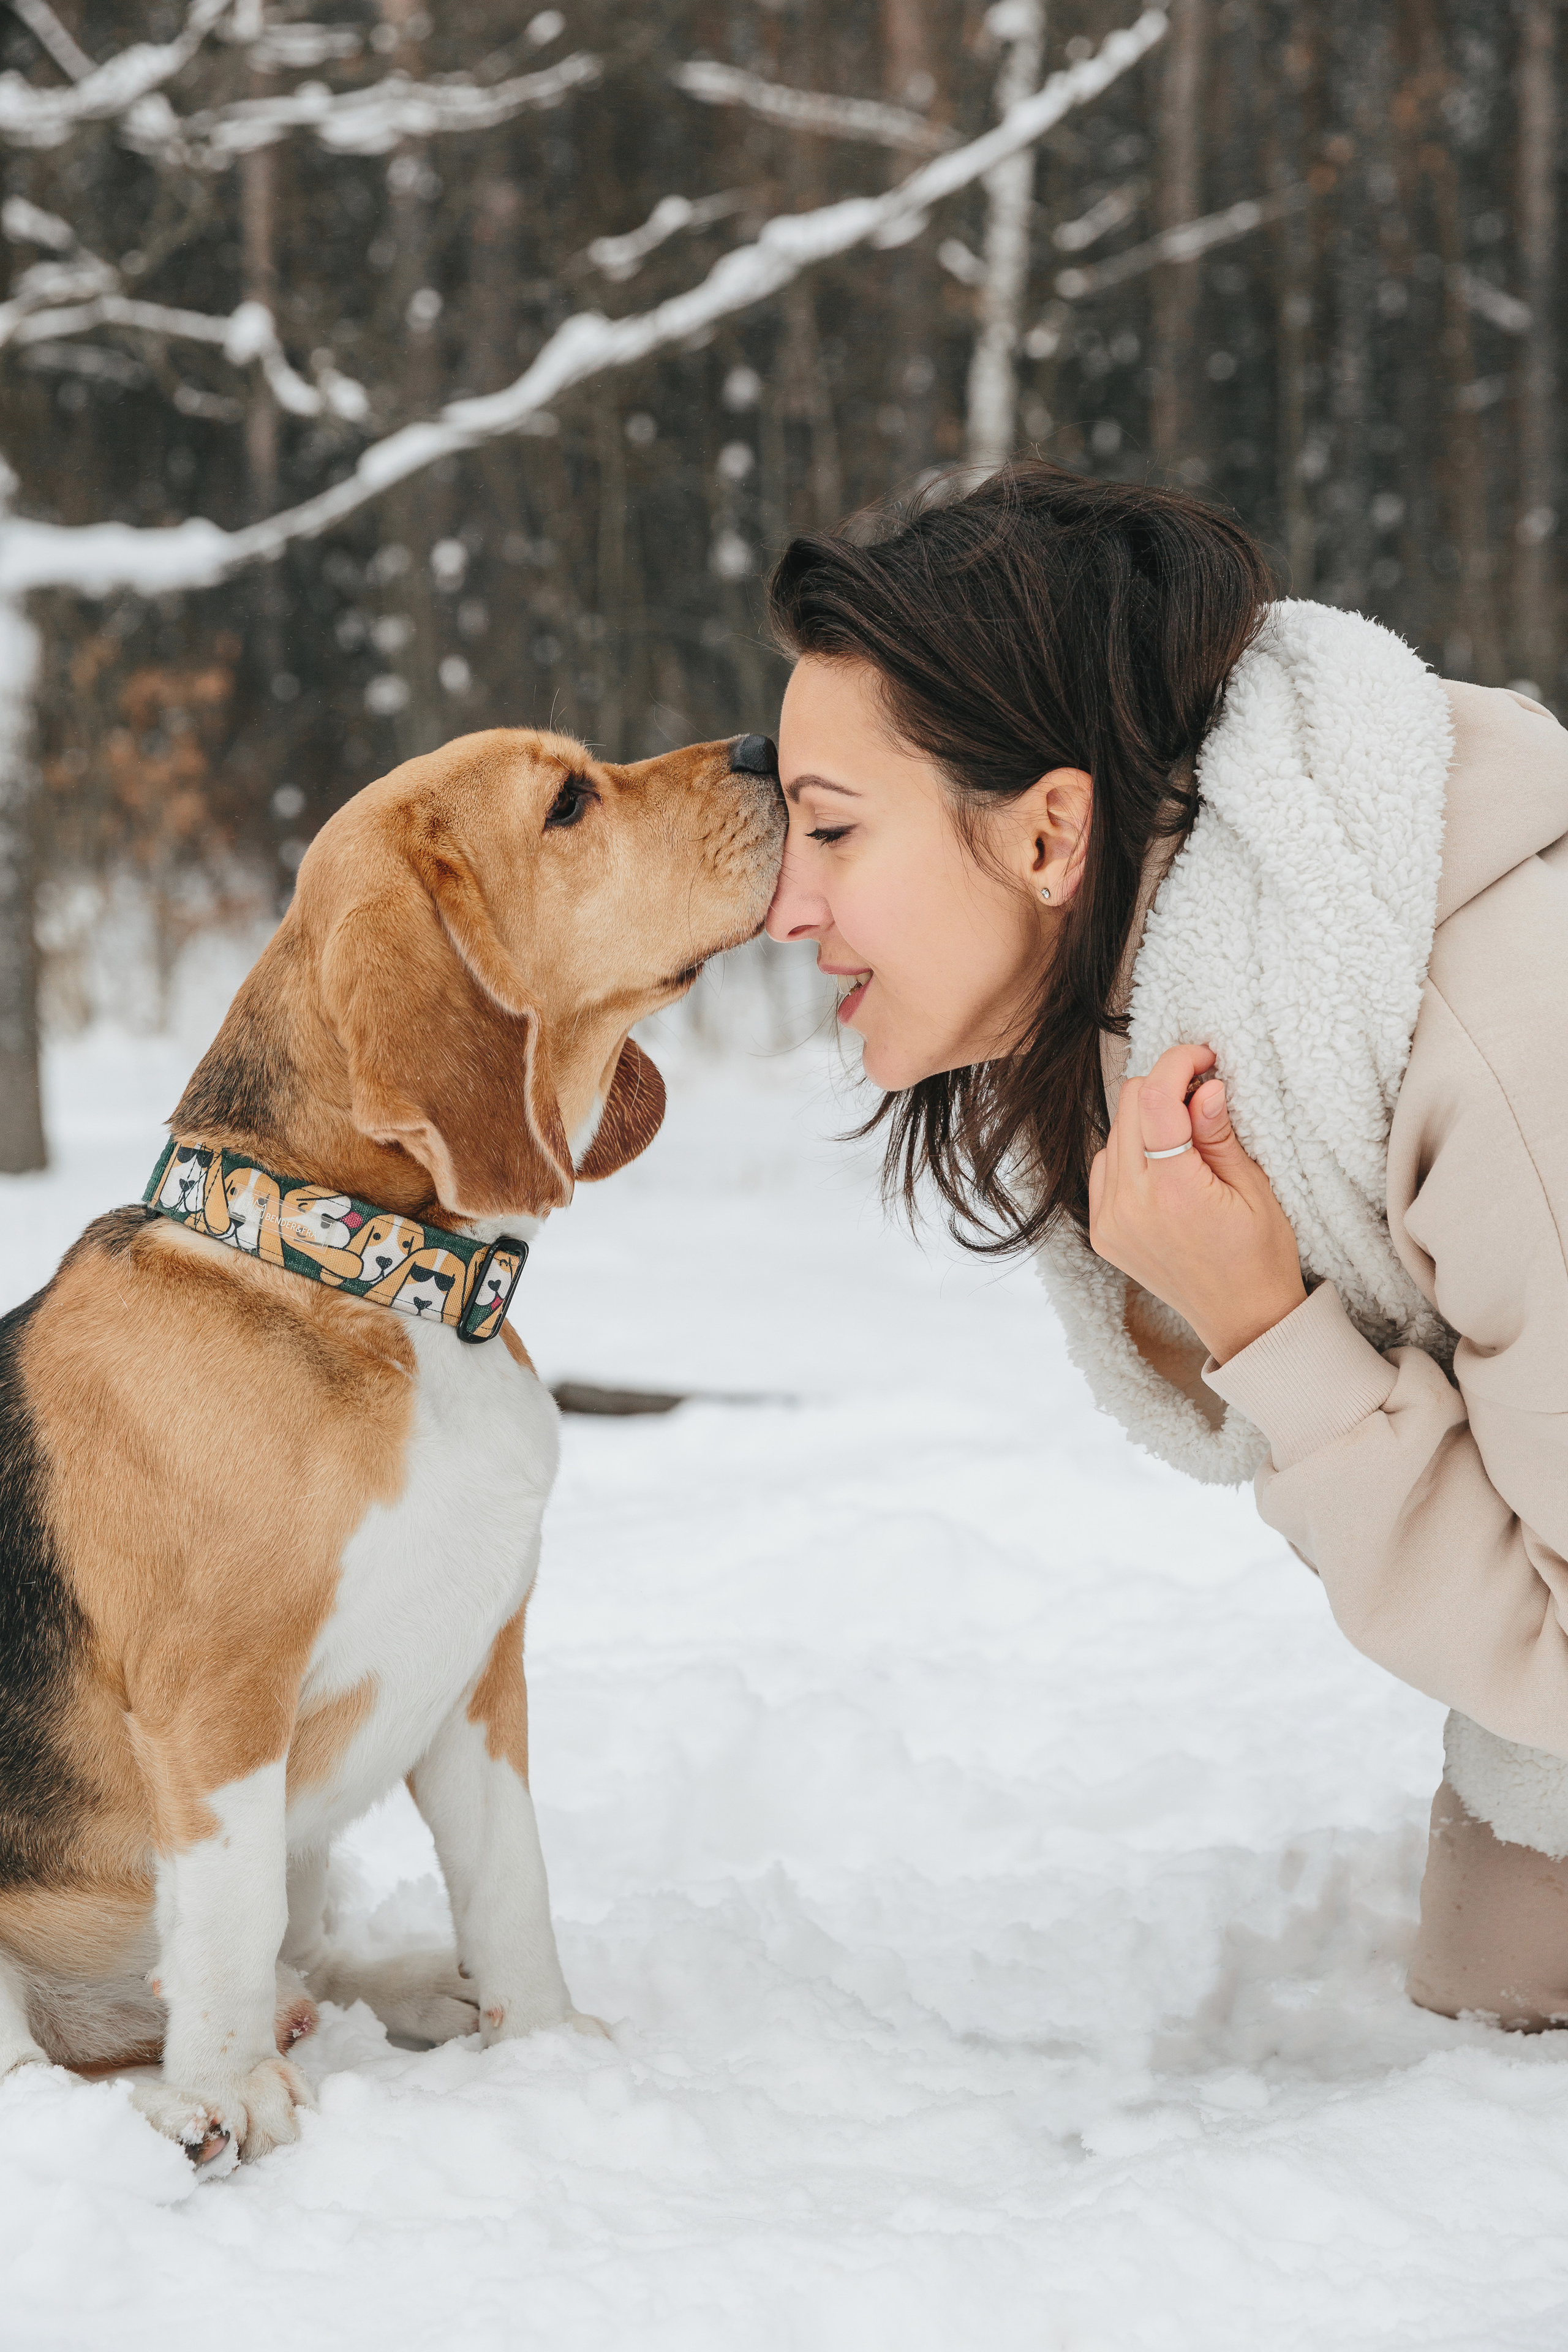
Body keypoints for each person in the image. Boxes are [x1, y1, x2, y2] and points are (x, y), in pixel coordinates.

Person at [763, 459, 1568, 2027]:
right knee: (1495, 1982)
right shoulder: (1208, 1014)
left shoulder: (1501, 1051)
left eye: (833, 831)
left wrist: (1273, 1331)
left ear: (1051, 834)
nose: (786, 907)